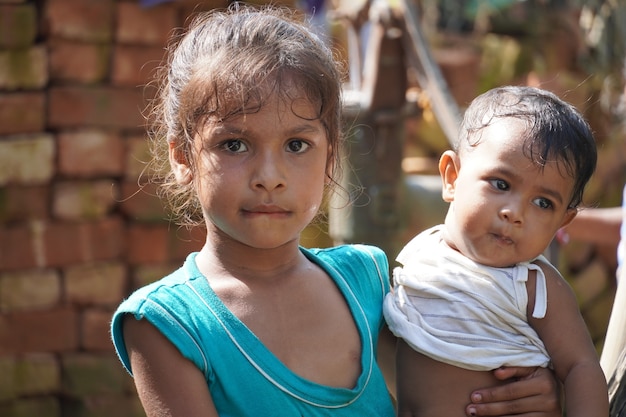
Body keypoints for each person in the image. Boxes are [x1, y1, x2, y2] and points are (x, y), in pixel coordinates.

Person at [110, 6, 563, 416]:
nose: (270, 176)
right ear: (183, 157)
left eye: (296, 145)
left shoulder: (366, 280)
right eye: (234, 144)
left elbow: (440, 395)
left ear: (330, 159)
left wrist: (531, 391)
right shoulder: (168, 324)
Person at [384, 85, 609, 417]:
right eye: (501, 184)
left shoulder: (533, 286)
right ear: (452, 176)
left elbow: (580, 367)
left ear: (563, 221)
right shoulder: (418, 255)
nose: (515, 213)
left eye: (543, 203)